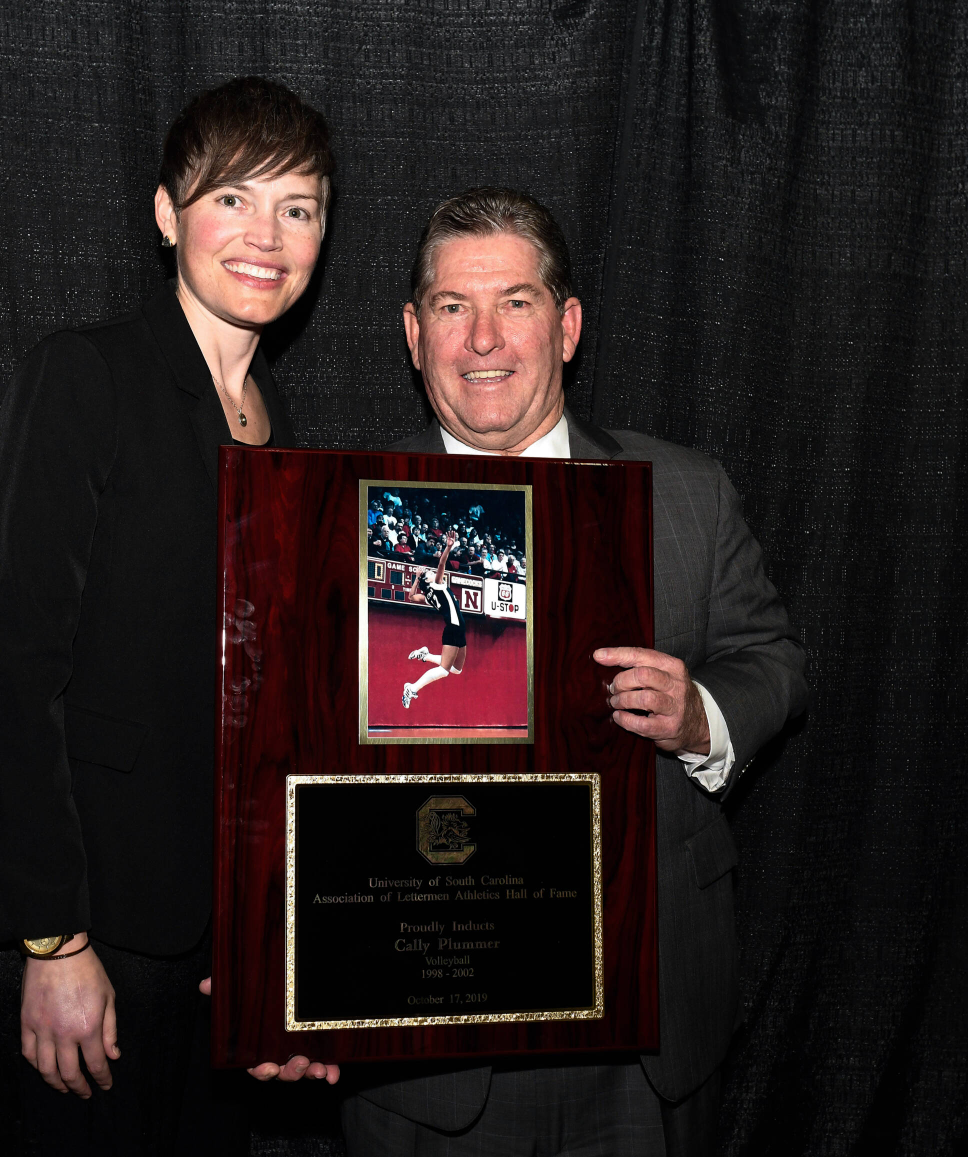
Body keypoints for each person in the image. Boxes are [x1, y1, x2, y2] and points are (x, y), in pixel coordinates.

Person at [341, 188, 809, 1157]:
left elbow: (771, 659)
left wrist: (700, 715)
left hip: (644, 1023)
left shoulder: (685, 491)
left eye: (514, 302)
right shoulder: (332, 512)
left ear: (566, 326)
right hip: (424, 1042)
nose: (482, 339)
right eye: (451, 306)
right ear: (413, 333)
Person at [0, 77, 340, 1155]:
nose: (266, 236)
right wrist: (52, 937)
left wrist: (278, 939)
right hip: (97, 934)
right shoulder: (86, 375)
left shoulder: (283, 427)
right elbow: (12, 670)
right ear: (168, 215)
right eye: (233, 199)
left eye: (298, 208)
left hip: (226, 948)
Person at [402, 532, 467, 707]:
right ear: (429, 580)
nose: (433, 573)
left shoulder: (428, 596)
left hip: (459, 628)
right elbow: (441, 563)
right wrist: (448, 547)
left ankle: (426, 655)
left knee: (456, 669)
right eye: (430, 573)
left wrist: (417, 578)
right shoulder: (437, 585)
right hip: (453, 628)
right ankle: (412, 688)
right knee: (444, 671)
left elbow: (411, 597)